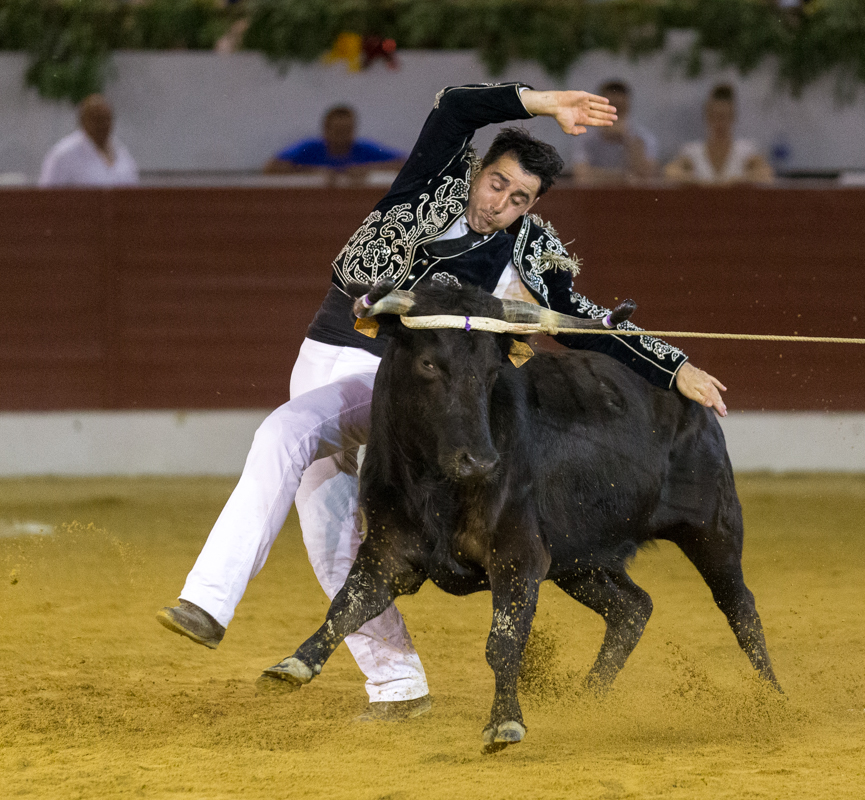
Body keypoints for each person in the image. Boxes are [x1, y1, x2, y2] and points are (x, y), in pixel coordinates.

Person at [157, 83, 729, 721]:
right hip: (327, 351)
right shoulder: (433, 183)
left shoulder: (527, 246)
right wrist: (545, 104)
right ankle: (398, 687)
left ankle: (209, 600)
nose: (500, 205)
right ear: (479, 171)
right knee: (332, 538)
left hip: (408, 380)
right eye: (497, 184)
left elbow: (584, 320)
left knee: (284, 435)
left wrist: (673, 368)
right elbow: (455, 106)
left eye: (520, 199)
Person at [663, 84, 772, 186]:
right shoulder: (693, 151)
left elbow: (766, 173)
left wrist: (738, 181)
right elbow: (670, 172)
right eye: (715, 117)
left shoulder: (745, 150)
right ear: (707, 118)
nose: (720, 123)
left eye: (724, 117)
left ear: (732, 117)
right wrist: (697, 181)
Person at [263, 105, 406, 180]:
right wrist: (313, 173)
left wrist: (367, 170)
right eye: (338, 131)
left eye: (347, 131)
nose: (343, 136)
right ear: (326, 130)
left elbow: (405, 164)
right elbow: (271, 168)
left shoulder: (364, 149)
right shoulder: (309, 148)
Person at [38, 94, 138, 187]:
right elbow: (46, 196)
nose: (103, 125)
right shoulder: (63, 155)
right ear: (83, 121)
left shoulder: (121, 152)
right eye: (97, 119)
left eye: (107, 119)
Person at [572, 80, 658, 185]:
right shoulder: (586, 137)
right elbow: (582, 175)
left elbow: (646, 175)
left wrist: (627, 139)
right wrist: (624, 177)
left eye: (619, 109)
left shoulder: (643, 137)